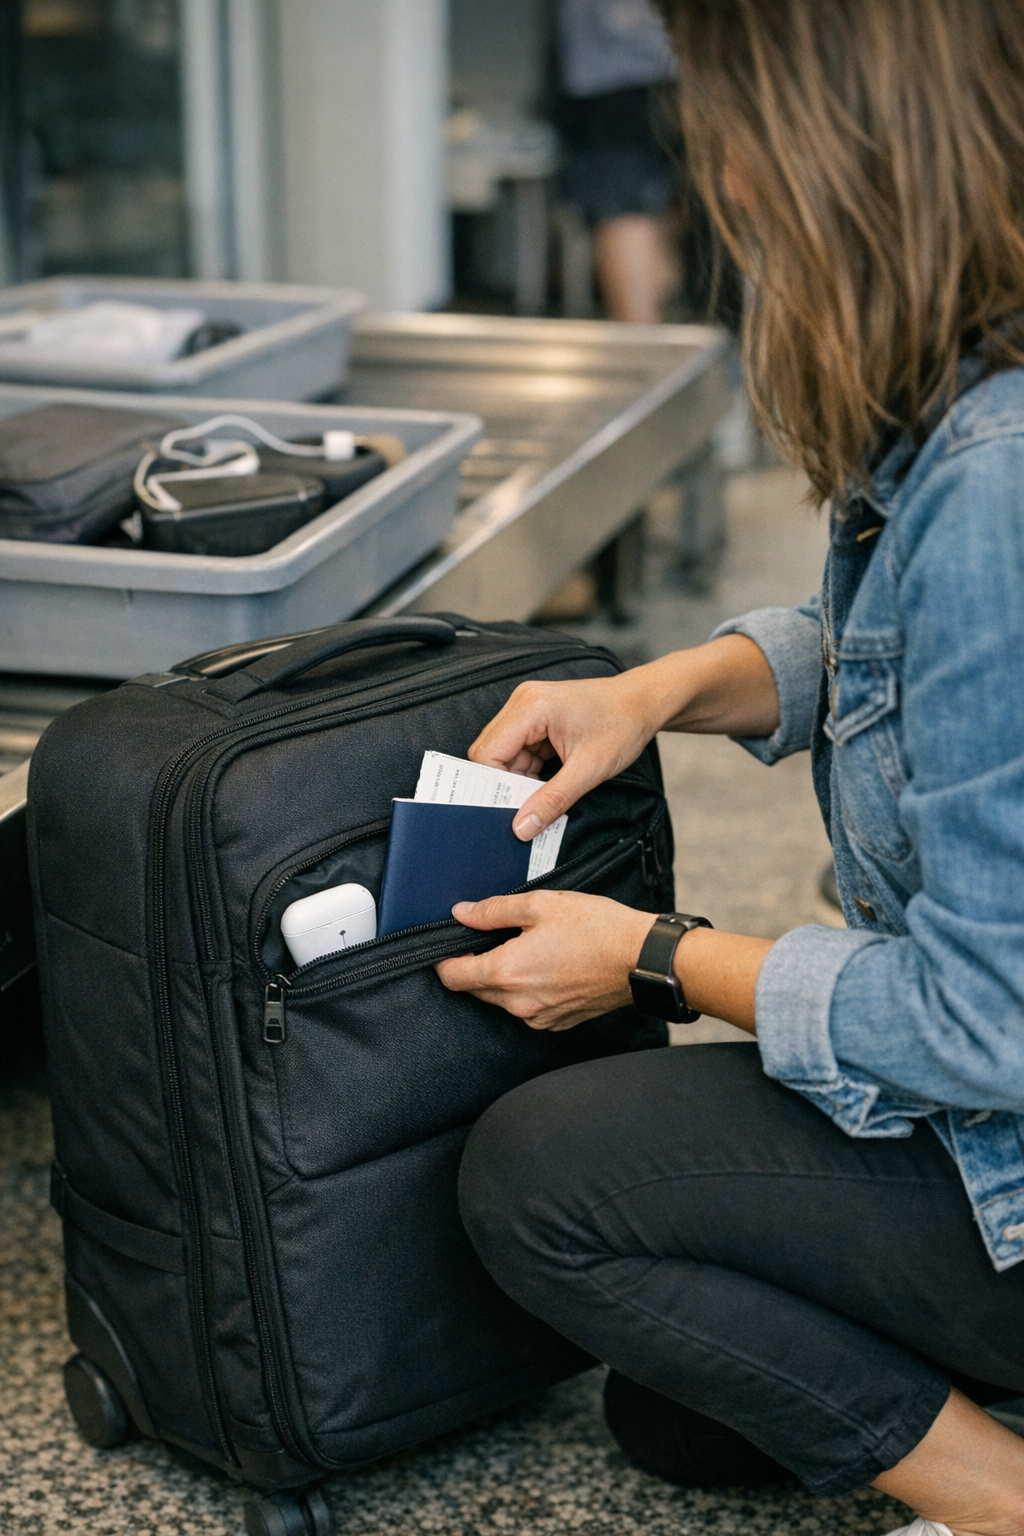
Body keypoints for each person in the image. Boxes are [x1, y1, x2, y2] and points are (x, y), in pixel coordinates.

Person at [436, 3, 1024, 1532]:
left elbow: (991, 1023)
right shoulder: (978, 407)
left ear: (837, 148)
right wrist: (655, 691)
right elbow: (903, 649)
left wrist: (652, 957)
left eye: (730, 129)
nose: (720, 175)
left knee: (542, 1183)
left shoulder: (998, 483)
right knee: (687, 1413)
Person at [554, 0, 680, 321]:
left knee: (624, 212)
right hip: (650, 76)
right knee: (640, 210)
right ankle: (649, 335)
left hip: (619, 82)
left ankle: (643, 340)